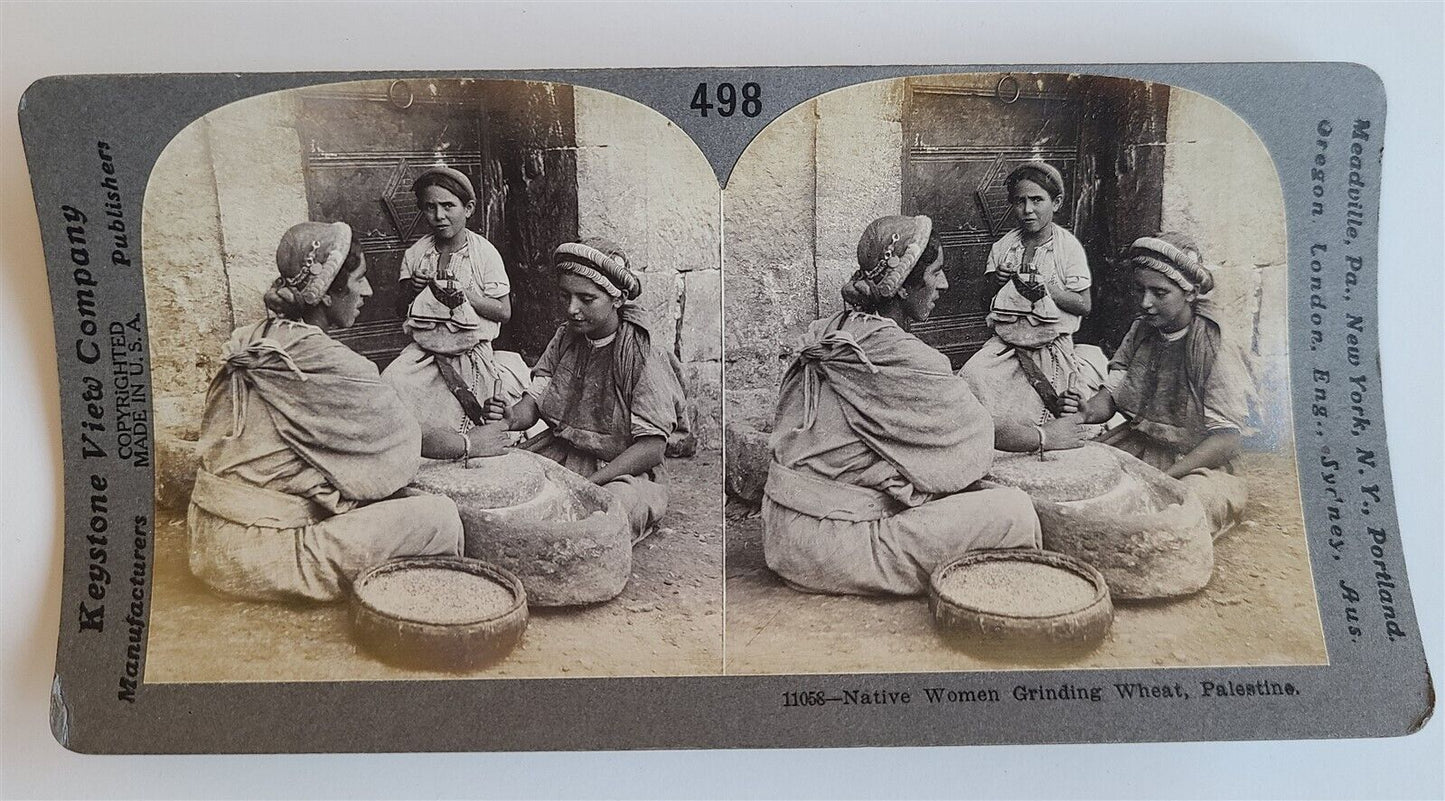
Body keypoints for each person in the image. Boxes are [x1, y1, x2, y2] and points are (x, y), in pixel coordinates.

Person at [761, 215, 1060, 598]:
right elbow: (976, 434)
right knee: (1014, 512)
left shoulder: (833, 329)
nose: (944, 284)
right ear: (903, 288)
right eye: (936, 273)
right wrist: (1045, 436)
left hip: (783, 532)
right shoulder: (902, 355)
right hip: (832, 546)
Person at [187, 221, 465, 603]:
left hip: (207, 540)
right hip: (261, 555)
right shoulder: (329, 363)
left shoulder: (254, 339)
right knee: (440, 518)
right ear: (328, 295)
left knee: (382, 496)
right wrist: (469, 442)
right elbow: (401, 440)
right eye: (359, 280)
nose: (367, 291)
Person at [481, 240, 687, 542]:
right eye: (566, 296)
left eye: (586, 299)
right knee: (503, 488)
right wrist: (511, 417)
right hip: (562, 453)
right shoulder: (566, 336)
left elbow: (652, 447)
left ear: (617, 299)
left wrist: (589, 485)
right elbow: (535, 402)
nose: (572, 309)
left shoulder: (643, 353)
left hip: (621, 470)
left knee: (598, 519)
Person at [1061, 232, 1253, 536]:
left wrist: (1166, 477)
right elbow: (1112, 393)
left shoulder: (1212, 344)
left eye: (1159, 293)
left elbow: (1227, 439)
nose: (1146, 303)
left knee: (1174, 518)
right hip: (1141, 444)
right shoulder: (1142, 330)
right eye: (1141, 290)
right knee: (1076, 481)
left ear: (1189, 293)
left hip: (1197, 464)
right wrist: (1087, 411)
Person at [960, 161, 1106, 439]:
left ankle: (1039, 439)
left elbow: (1084, 304)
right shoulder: (1004, 247)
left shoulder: (1067, 248)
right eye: (1019, 201)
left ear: (1057, 202)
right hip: (1006, 346)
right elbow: (986, 302)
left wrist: (1046, 288)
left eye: (1037, 200)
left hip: (1052, 349)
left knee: (1052, 404)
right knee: (974, 377)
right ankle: (999, 438)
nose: (1028, 210)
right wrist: (998, 282)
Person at [382, 166, 528, 441]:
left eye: (448, 206)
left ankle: (465, 448)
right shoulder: (416, 254)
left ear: (468, 208)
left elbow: (504, 312)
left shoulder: (484, 253)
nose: (439, 216)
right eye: (430, 207)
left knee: (478, 411)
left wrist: (464, 293)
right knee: (392, 381)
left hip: (471, 353)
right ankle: (420, 449)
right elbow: (401, 308)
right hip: (423, 353)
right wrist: (414, 288)